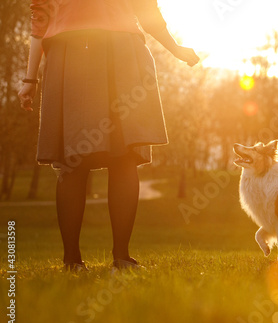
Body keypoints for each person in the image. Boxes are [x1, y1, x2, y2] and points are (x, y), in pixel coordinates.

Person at [18, 0, 199, 271]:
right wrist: (175, 49)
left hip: (76, 51)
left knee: (77, 157)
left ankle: (74, 262)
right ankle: (121, 259)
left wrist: (30, 79)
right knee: (122, 156)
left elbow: (40, 18)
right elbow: (147, 11)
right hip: (120, 49)